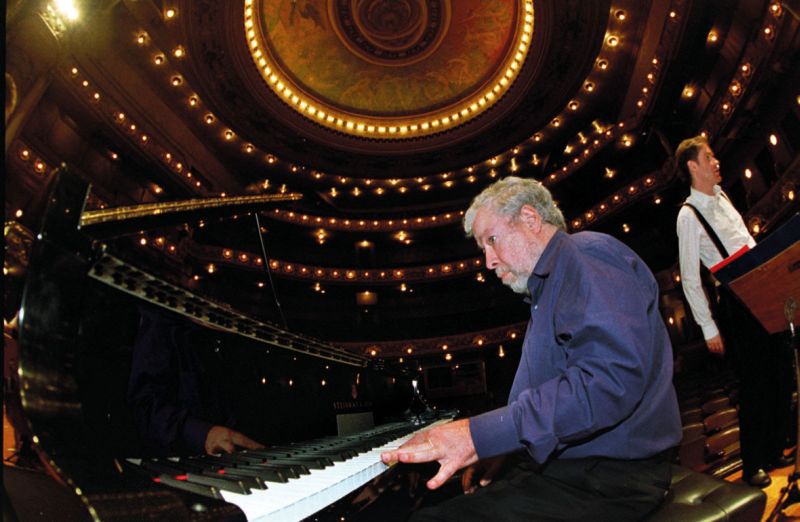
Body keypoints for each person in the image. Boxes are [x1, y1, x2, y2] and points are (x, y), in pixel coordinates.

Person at [381, 176, 682, 521]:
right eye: (483, 249)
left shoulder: (584, 255)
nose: (488, 261)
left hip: (611, 480)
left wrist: (480, 436)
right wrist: (504, 446)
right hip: (577, 472)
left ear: (530, 219)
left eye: (492, 241)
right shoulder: (546, 291)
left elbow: (609, 381)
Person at [675, 134, 792, 488]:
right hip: (738, 302)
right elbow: (690, 277)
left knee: (781, 373)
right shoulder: (688, 215)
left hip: (763, 289)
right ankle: (755, 460)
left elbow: (745, 241)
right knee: (755, 384)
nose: (716, 161)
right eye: (709, 157)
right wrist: (708, 327)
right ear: (693, 166)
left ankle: (774, 450)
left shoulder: (723, 197)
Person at [128, 305, 263, 456]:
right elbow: (145, 408)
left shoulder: (242, 328)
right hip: (182, 460)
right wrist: (205, 434)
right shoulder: (162, 320)